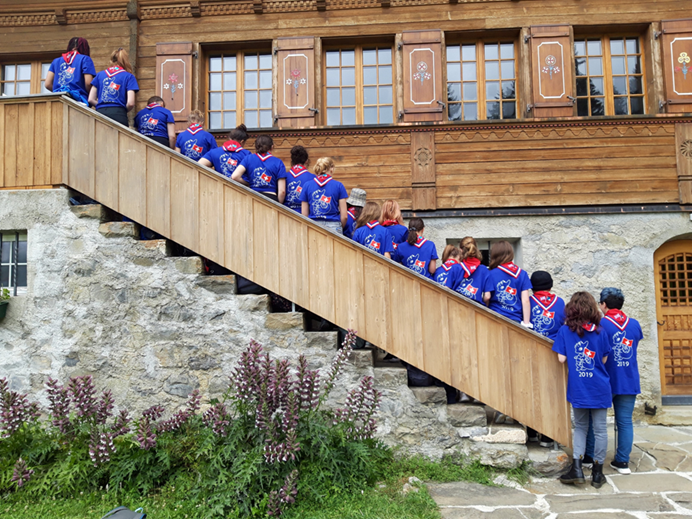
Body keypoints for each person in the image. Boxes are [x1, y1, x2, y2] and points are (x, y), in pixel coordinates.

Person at [553, 291, 612, 489]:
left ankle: (577, 468)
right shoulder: (600, 331)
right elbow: (604, 359)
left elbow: (561, 359)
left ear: (572, 309)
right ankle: (597, 473)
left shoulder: (565, 331)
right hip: (599, 386)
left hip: (579, 386)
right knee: (600, 429)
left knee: (580, 427)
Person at [584, 287, 643, 475]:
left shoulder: (601, 325)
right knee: (625, 421)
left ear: (603, 305)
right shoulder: (634, 324)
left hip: (605, 381)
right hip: (628, 379)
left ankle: (589, 457)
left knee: (596, 421)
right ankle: (622, 461)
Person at [526, 270, 566, 446]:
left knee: (531, 391)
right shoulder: (560, 303)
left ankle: (532, 431)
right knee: (551, 394)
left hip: (532, 353)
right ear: (550, 285)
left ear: (532, 287)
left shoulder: (528, 302)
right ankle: (548, 436)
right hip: (554, 354)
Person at [483, 241, 532, 326]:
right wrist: (526, 324)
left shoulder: (491, 274)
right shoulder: (522, 274)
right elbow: (526, 301)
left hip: (495, 317)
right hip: (515, 320)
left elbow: (487, 298)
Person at [88, 48, 139, 126]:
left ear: (111, 60)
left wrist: (101, 105)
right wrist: (122, 110)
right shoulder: (129, 76)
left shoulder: (99, 75)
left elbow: (91, 99)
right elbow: (130, 103)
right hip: (119, 114)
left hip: (100, 113)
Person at [300, 157, 348, 234]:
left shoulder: (307, 185)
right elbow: (344, 216)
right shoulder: (339, 185)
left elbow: (304, 214)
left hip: (314, 225)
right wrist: (338, 226)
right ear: (331, 169)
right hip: (334, 226)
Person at [232, 135, 286, 202]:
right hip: (271, 198)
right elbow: (282, 191)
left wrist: (248, 183)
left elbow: (234, 176)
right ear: (272, 147)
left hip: (253, 196)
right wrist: (279, 206)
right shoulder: (278, 162)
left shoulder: (248, 158)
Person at [44, 37, 95, 104]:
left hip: (59, 99)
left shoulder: (56, 61)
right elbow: (88, 83)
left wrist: (59, 92)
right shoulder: (85, 59)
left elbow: (47, 84)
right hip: (78, 100)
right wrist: (92, 96)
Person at [456, 236, 490, 305]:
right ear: (475, 249)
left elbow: (446, 291)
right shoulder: (484, 269)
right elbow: (487, 297)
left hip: (457, 309)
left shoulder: (455, 268)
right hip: (476, 310)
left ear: (461, 250)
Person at [284, 145, 316, 213]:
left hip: (286, 215)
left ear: (292, 161)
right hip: (305, 217)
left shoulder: (284, 176)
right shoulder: (313, 178)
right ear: (306, 161)